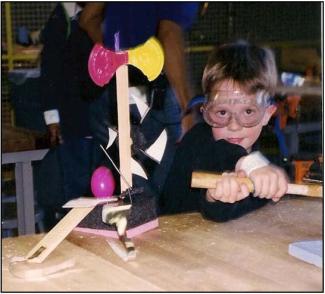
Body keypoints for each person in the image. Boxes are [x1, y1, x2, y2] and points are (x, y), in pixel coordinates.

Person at [160, 40, 289, 222]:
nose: (234, 126)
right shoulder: (197, 141)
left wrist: (274, 181)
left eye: (248, 112)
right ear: (206, 111)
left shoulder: (269, 144)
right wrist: (216, 196)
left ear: (267, 114)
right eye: (222, 113)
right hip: (173, 239)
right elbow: (222, 153)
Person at [79, 3, 199, 194]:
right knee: (167, 186)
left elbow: (87, 18)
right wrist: (187, 107)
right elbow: (169, 34)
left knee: (126, 183)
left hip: (113, 94)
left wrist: (118, 56)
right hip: (152, 95)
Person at [38, 2, 105, 228]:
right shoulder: (60, 21)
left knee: (100, 184)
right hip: (73, 121)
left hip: (98, 118)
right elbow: (48, 74)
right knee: (76, 187)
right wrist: (52, 118)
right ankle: (75, 233)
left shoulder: (97, 17)